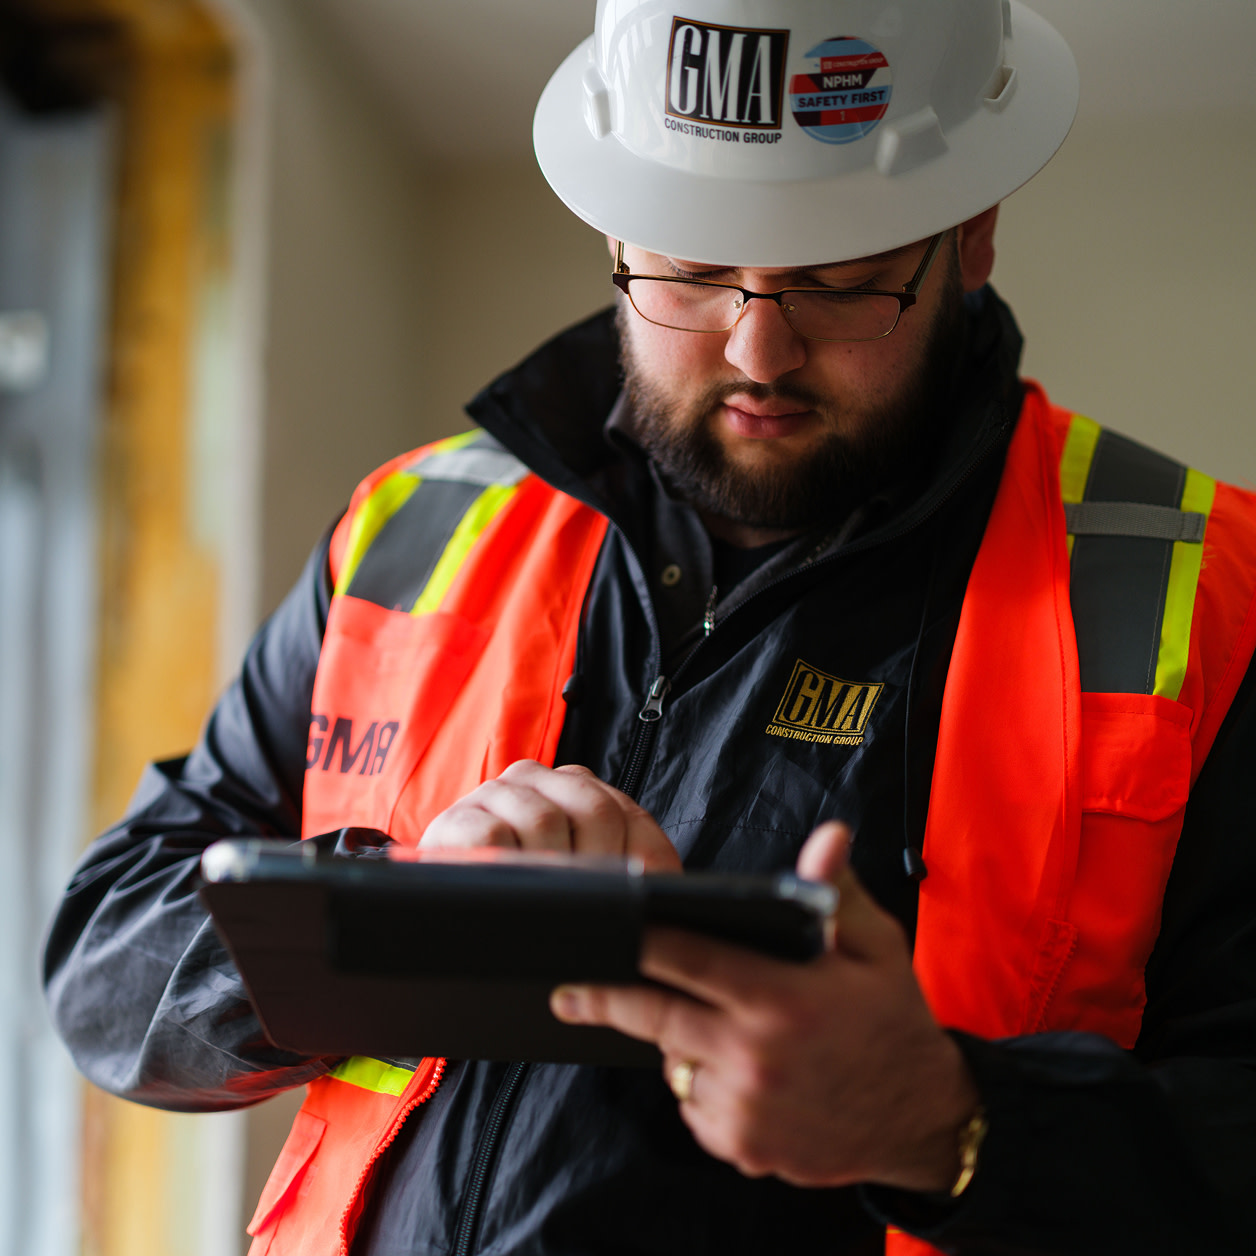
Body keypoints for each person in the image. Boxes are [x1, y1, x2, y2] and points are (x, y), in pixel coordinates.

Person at [43, 1, 1256, 1253]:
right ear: (614, 230)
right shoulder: (415, 523)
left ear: (971, 234)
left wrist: (947, 1120)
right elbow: (104, 963)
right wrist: (393, 913)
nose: (758, 348)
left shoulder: (1210, 591)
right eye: (690, 266)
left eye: (838, 276)